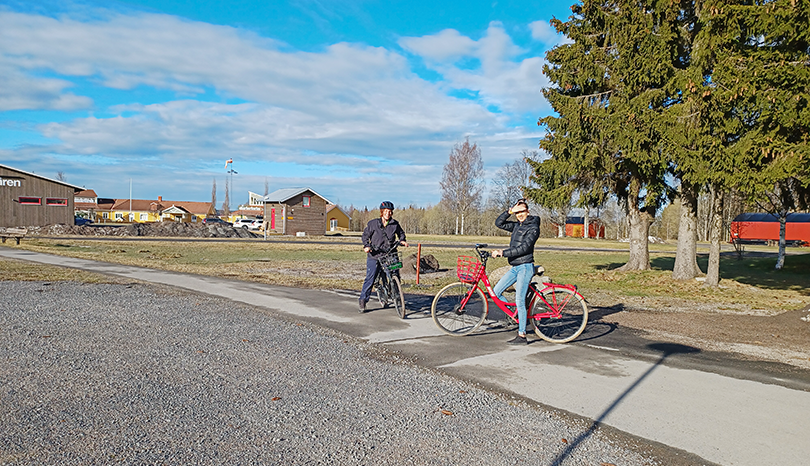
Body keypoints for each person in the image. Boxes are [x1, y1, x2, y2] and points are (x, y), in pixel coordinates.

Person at [491, 199, 540, 345]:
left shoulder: (533, 227)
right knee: (496, 292)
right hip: (515, 267)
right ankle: (514, 317)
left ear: (528, 212)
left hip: (525, 267)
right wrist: (509, 211)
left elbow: (524, 248)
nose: (519, 215)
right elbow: (499, 223)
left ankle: (522, 335)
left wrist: (503, 252)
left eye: (522, 212)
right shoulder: (518, 226)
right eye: (517, 213)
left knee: (519, 301)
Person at [359, 201, 409, 312]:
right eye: (386, 211)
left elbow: (401, 234)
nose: (388, 213)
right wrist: (367, 246)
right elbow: (365, 236)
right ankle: (363, 300)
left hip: (390, 253)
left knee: (395, 273)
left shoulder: (394, 224)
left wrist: (402, 240)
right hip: (375, 254)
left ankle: (396, 294)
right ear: (382, 212)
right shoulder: (373, 224)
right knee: (370, 278)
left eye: (390, 212)